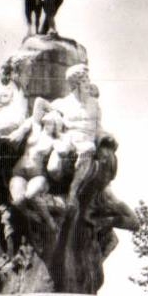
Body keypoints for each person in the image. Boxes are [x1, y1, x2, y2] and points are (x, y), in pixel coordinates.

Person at [46, 63, 104, 209]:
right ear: (75, 83)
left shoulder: (94, 104)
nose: (88, 84)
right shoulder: (61, 103)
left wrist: (105, 137)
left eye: (87, 80)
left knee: (88, 148)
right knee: (53, 169)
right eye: (84, 81)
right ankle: (55, 191)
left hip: (86, 142)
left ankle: (73, 191)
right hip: (68, 141)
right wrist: (56, 130)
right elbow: (46, 116)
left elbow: (98, 127)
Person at [6, 101, 65, 232]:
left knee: (31, 195)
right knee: (18, 201)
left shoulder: (55, 141)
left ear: (56, 125)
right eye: (46, 121)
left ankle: (49, 221)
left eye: (51, 123)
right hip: (19, 172)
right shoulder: (35, 128)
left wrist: (62, 137)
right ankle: (31, 216)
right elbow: (38, 101)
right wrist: (53, 109)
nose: (47, 124)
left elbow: (64, 150)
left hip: (37, 174)